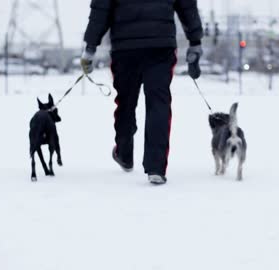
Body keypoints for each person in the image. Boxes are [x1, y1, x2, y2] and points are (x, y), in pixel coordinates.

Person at [81, 0, 203, 185]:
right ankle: (156, 167)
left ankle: (124, 152)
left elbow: (101, 8)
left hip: (125, 47)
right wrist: (195, 40)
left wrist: (90, 47)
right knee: (158, 103)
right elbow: (187, 5)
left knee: (125, 102)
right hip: (160, 46)